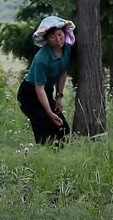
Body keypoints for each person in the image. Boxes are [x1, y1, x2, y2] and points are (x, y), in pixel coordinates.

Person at [17, 16, 75, 144]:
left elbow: (63, 71)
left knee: (63, 129)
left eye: (60, 34)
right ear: (47, 40)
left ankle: (62, 156)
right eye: (53, 37)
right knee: (45, 129)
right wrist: (49, 112)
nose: (58, 39)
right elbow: (39, 88)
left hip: (46, 92)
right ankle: (44, 157)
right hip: (30, 95)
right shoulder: (42, 59)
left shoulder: (67, 49)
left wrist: (59, 96)